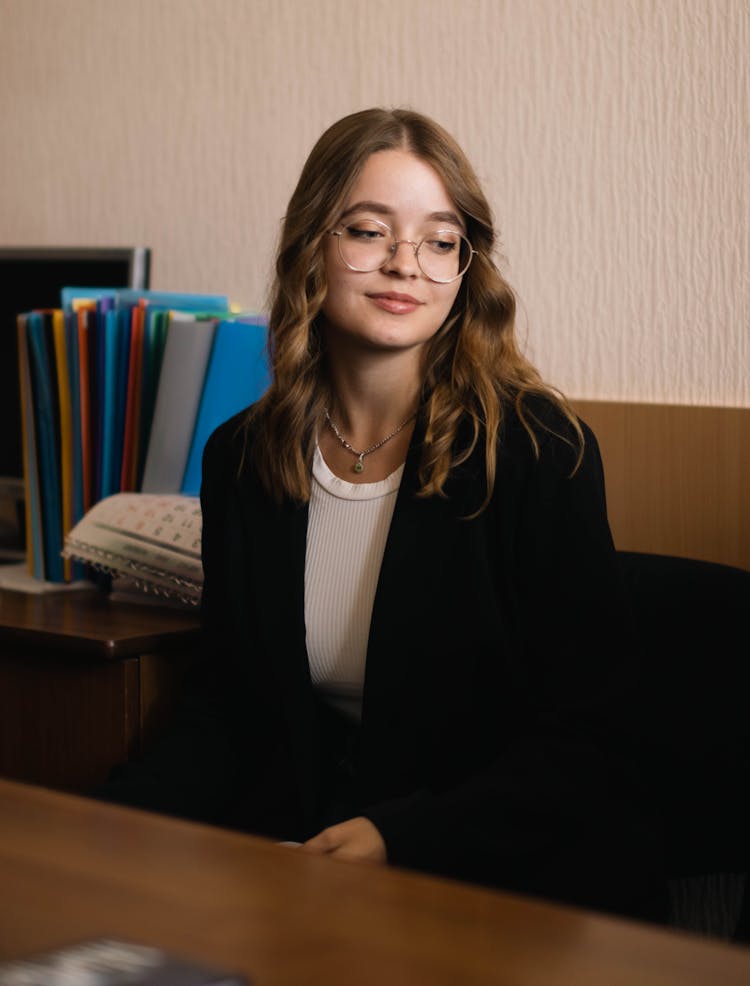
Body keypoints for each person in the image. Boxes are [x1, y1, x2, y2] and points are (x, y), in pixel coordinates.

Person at [98, 107, 666, 921]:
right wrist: (110, 824)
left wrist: (402, 837)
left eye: (441, 241)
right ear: (311, 248)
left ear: (466, 269)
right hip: (316, 867)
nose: (406, 264)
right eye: (369, 231)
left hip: (510, 880)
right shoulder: (245, 455)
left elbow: (594, 740)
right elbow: (227, 710)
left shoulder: (538, 450)